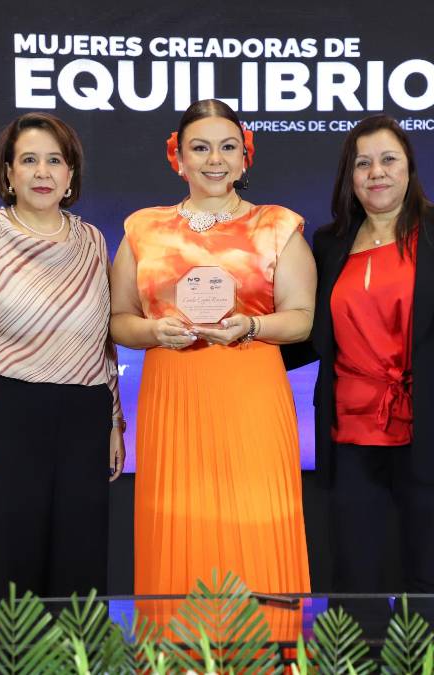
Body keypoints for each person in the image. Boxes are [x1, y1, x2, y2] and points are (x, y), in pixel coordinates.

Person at [287, 114, 434, 593]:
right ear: (349, 176)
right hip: (348, 433)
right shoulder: (328, 243)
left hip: (429, 432)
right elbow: (310, 335)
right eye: (362, 163)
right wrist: (239, 344)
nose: (376, 172)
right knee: (352, 576)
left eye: (388, 159)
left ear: (409, 167)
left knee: (429, 575)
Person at [110, 99, 315, 598]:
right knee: (178, 527)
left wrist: (252, 325)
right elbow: (118, 321)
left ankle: (264, 640)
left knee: (254, 524)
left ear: (245, 157)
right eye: (200, 148)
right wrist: (154, 332)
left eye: (228, 147)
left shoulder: (277, 226)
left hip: (251, 397)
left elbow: (301, 319)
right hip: (172, 396)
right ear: (178, 158)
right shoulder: (143, 229)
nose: (214, 160)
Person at [0, 112, 124, 607]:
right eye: (29, 160)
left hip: (84, 416)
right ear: (9, 173)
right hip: (8, 415)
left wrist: (113, 421)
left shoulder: (92, 240)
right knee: (8, 562)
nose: (43, 172)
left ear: (71, 174)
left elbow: (102, 339)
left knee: (81, 562)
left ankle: (77, 650)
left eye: (55, 161)